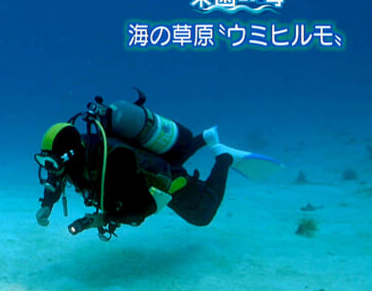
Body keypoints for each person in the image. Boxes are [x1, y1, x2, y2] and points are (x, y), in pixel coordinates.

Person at [33, 89, 281, 240]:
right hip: (145, 167)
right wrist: (47, 205)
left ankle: (224, 157)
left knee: (203, 215)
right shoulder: (76, 155)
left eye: (52, 161)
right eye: (46, 161)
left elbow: (144, 207)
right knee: (173, 157)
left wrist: (104, 218)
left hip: (161, 179)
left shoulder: (113, 161)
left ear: (69, 155)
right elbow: (57, 174)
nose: (50, 169)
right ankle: (204, 138)